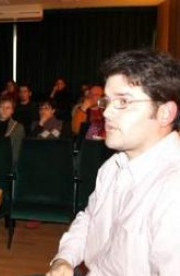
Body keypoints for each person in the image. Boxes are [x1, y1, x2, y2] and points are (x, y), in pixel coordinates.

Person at [46, 49, 180, 276]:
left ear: (165, 113)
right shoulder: (113, 165)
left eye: (123, 101)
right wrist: (64, 259)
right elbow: (89, 219)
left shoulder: (173, 191)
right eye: (107, 101)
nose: (106, 112)